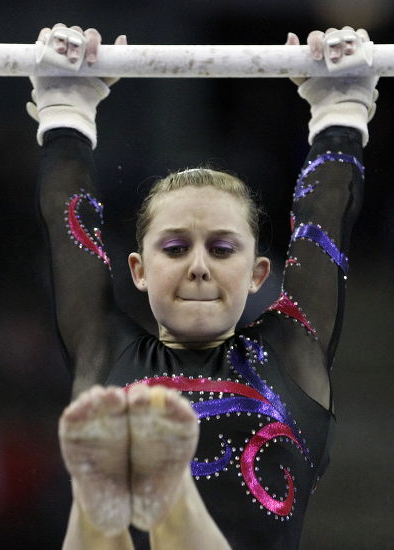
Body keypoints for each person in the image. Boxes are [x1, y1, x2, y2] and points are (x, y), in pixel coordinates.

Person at [28, 23, 378, 550]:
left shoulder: (289, 352)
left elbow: (323, 216)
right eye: (174, 248)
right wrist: (65, 108)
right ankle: (119, 497)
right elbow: (68, 228)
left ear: (259, 273)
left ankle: (144, 491)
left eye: (221, 248)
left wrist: (340, 109)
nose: (198, 267)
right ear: (138, 270)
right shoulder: (105, 347)